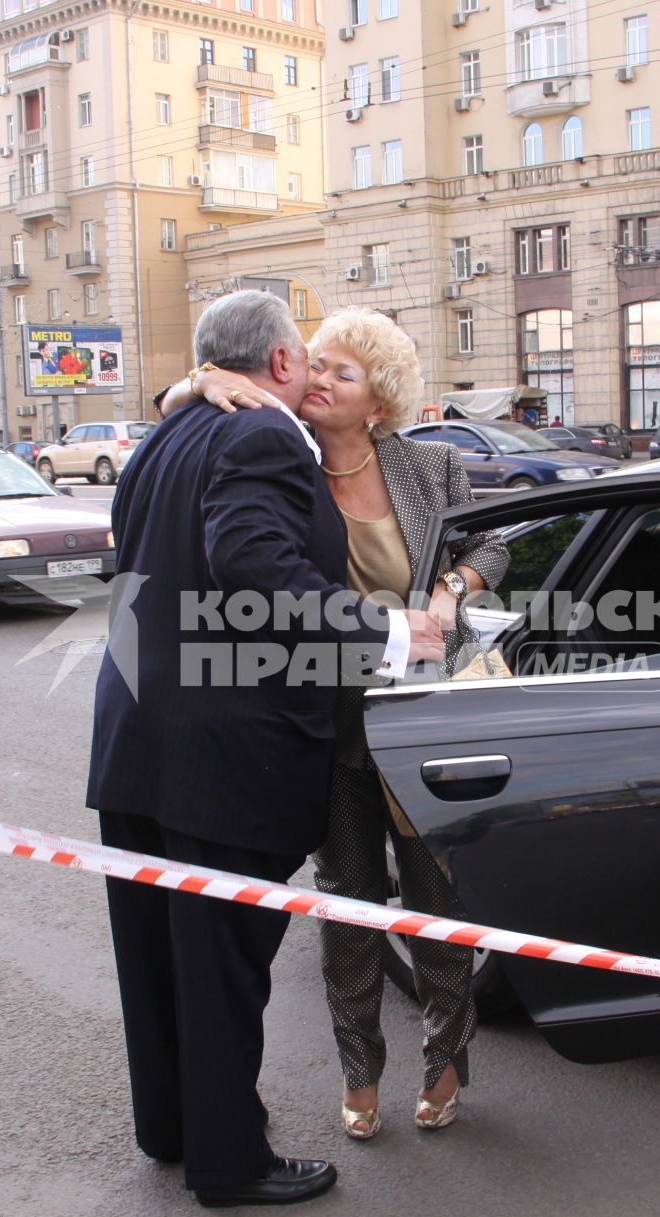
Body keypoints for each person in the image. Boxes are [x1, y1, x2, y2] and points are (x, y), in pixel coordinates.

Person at [87, 290, 446, 1208]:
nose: (315, 373)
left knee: (161, 957)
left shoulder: (168, 432)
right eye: (307, 356)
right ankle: (228, 1161)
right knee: (221, 968)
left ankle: (173, 1132)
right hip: (221, 754)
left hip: (137, 738)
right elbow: (256, 567)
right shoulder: (264, 436)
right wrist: (392, 636)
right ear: (280, 364)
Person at [169, 308, 509, 1141]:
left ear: (379, 403)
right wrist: (195, 378)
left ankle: (448, 1057)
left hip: (425, 720)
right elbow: (193, 414)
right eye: (314, 363)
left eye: (342, 373)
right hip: (326, 724)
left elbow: (494, 546)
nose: (317, 379)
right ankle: (360, 1070)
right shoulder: (280, 454)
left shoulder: (430, 466)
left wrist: (451, 589)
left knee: (436, 905)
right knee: (349, 907)